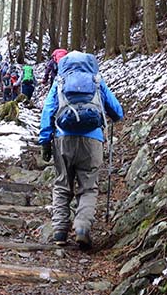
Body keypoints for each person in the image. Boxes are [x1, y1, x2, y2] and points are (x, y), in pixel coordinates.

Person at [38, 51, 123, 250]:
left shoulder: (59, 82)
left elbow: (48, 110)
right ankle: (82, 228)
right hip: (92, 140)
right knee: (89, 187)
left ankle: (60, 232)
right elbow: (117, 112)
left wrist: (44, 141)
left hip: (63, 138)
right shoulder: (96, 82)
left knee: (61, 185)